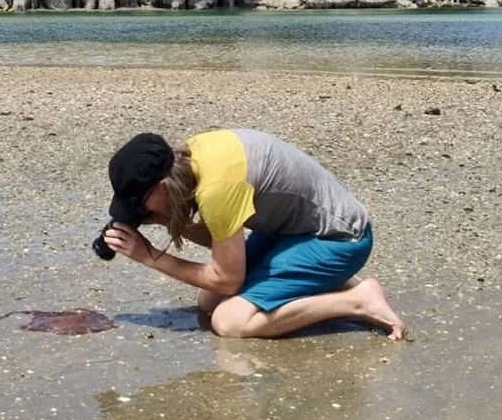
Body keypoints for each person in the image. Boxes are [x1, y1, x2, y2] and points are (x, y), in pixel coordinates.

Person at [100, 129, 405, 340]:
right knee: (209, 301)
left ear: (162, 187)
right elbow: (220, 237)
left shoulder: (217, 190)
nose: (138, 211)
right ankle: (334, 281)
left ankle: (358, 300)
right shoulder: (190, 157)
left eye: (139, 203)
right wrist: (167, 219)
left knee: (229, 321)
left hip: (341, 237)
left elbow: (227, 278)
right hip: (292, 230)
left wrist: (150, 256)